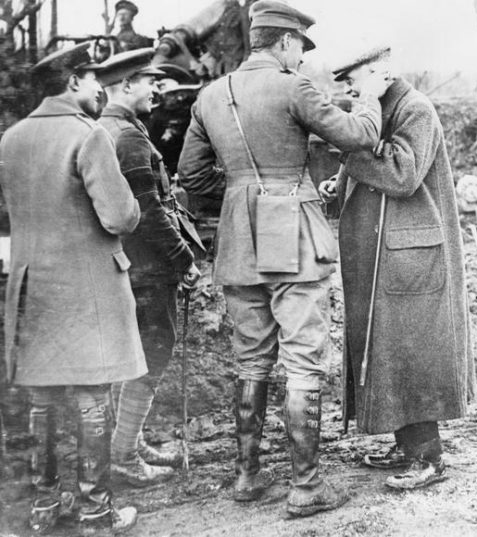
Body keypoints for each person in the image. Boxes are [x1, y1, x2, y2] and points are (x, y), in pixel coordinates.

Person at [177, 0, 388, 517]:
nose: (299, 56)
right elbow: (360, 136)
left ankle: (248, 476)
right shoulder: (293, 86)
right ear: (287, 42)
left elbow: (192, 175)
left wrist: (240, 196)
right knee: (302, 360)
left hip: (238, 241)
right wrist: (373, 98)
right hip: (293, 238)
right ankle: (306, 485)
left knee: (250, 360)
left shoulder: (209, 95)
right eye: (299, 47)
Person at [0, 42, 146, 534]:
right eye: (92, 78)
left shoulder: (11, 138)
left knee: (41, 398)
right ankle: (96, 512)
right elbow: (120, 215)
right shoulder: (90, 136)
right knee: (91, 397)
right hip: (87, 290)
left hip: (31, 290)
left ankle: (43, 510)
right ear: (72, 83)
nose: (100, 87)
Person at [320, 45, 472, 490]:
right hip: (385, 257)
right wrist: (341, 181)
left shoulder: (415, 109)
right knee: (388, 350)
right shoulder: (379, 107)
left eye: (354, 76)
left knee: (412, 352)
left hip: (412, 258)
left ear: (381, 70)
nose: (348, 85)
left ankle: (428, 456)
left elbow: (403, 175)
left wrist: (349, 158)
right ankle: (407, 444)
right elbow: (373, 158)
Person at [98, 48, 202, 488]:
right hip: (149, 267)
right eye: (148, 82)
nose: (157, 90)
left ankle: (128, 442)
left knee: (134, 356)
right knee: (152, 354)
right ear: (126, 86)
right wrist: (184, 257)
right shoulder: (128, 137)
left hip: (130, 266)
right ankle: (123, 456)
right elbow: (150, 211)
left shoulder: (113, 129)